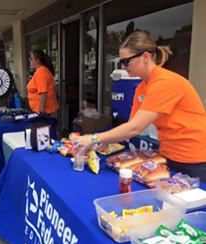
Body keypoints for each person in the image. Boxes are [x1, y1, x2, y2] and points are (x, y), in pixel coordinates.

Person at [75, 31, 206, 182]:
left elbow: (134, 128)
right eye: (121, 62)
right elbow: (131, 126)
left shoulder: (165, 82)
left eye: (126, 61)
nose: (123, 67)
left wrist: (95, 138)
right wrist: (105, 141)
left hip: (194, 158)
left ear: (145, 57)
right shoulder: (141, 87)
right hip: (169, 154)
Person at [27, 50, 59, 114]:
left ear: (38, 60)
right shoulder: (41, 70)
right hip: (41, 109)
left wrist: (41, 109)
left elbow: (43, 92)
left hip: (43, 110)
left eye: (31, 58)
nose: (30, 60)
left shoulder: (41, 72)